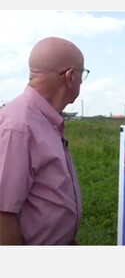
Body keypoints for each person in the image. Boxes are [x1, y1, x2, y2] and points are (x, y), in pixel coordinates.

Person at [0, 36, 88, 245]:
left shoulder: (44, 119)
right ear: (70, 77)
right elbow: (2, 216)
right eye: (83, 74)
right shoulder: (19, 126)